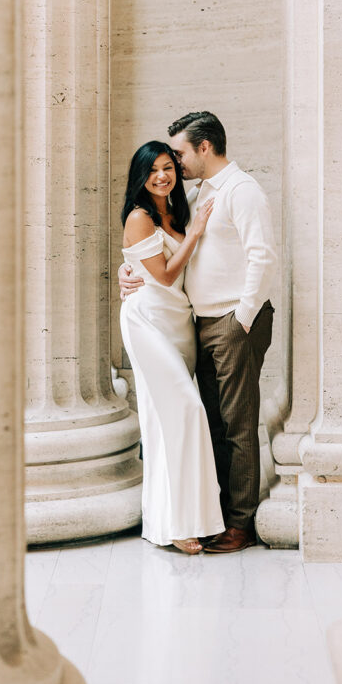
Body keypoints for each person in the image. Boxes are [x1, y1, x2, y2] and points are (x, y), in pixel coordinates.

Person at [120, 112, 277, 553]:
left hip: (230, 322)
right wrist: (126, 271)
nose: (174, 165)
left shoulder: (242, 191)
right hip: (194, 322)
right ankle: (214, 516)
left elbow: (262, 258)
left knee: (237, 424)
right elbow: (155, 247)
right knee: (211, 421)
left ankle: (240, 524)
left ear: (204, 147)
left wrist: (241, 319)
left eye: (179, 155)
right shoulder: (196, 194)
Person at [119, 140, 225, 554]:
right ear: (141, 177)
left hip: (179, 322)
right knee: (185, 410)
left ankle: (178, 519)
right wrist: (194, 234)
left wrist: (190, 228)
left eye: (168, 167)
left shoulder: (180, 208)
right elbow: (161, 277)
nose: (162, 176)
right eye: (153, 170)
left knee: (169, 422)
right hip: (148, 321)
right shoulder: (140, 217)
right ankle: (177, 524)